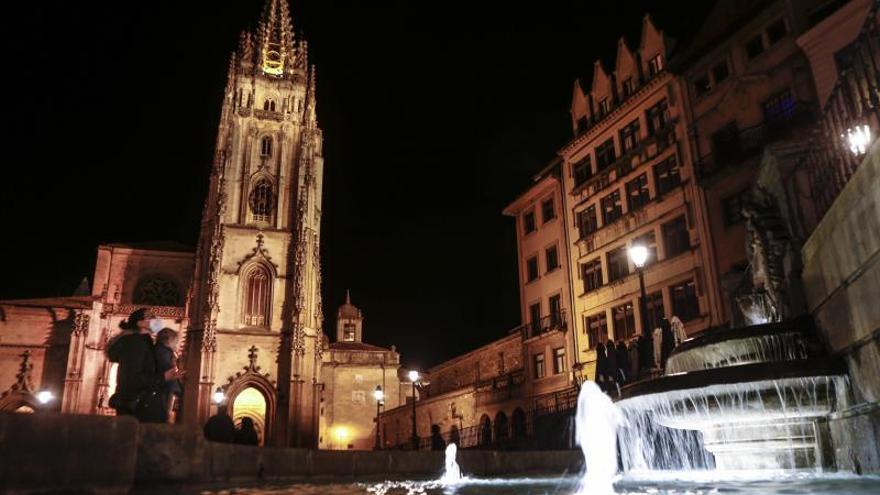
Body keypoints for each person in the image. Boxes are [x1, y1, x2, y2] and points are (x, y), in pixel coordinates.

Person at [107, 308, 183, 422]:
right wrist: (163, 377)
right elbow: (131, 380)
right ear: (140, 323)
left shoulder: (146, 343)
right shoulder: (135, 344)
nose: (156, 319)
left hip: (144, 409)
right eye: (150, 317)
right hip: (138, 412)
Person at [155, 328, 182, 422]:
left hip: (164, 391)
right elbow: (169, 372)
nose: (177, 345)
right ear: (169, 341)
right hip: (164, 392)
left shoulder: (162, 351)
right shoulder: (164, 352)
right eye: (176, 342)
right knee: (164, 419)